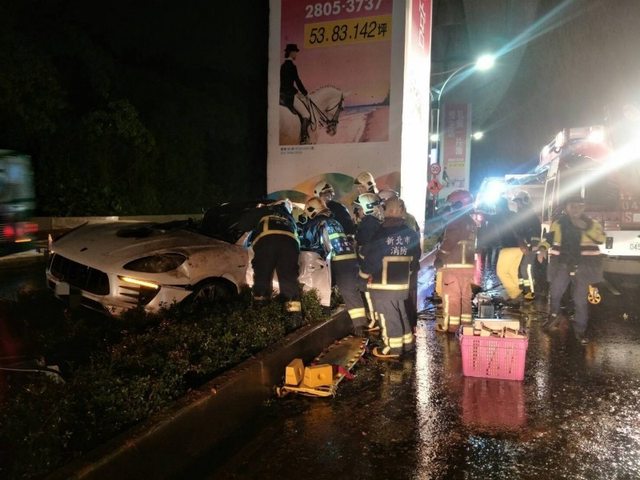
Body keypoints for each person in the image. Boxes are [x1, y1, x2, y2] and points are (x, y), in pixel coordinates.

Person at [538, 194, 605, 344]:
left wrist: (586, 227)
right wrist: (542, 249)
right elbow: (549, 239)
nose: (575, 209)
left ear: (584, 208)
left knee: (580, 300)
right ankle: (554, 316)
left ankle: (580, 330)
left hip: (583, 266)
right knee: (555, 293)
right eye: (572, 206)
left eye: (579, 206)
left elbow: (601, 239)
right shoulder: (558, 223)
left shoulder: (592, 224)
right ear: (566, 208)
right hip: (562, 265)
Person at [361, 197, 421, 358]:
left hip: (382, 284)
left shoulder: (380, 233)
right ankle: (407, 343)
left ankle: (392, 348)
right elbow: (416, 258)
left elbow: (371, 258)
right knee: (400, 312)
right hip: (401, 283)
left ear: (387, 211)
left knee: (387, 316)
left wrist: (363, 276)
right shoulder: (410, 233)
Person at [300, 196, 366, 333]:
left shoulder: (316, 223)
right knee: (351, 293)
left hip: (334, 261)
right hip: (350, 258)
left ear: (311, 210)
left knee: (321, 290)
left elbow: (311, 246)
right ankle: (360, 326)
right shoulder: (334, 222)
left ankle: (325, 320)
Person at [245, 199, 301, 314]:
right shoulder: (290, 218)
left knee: (262, 277)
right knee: (289, 281)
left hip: (267, 244)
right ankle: (293, 317)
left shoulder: (265, 210)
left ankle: (261, 312)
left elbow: (243, 224)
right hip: (290, 245)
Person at [433, 190, 476, 331]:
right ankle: (465, 326)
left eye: (451, 204)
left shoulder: (456, 221)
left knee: (451, 297)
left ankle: (451, 326)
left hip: (453, 265)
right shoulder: (471, 222)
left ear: (458, 204)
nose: (449, 207)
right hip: (468, 266)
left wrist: (440, 256)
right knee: (465, 297)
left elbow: (450, 240)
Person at [354, 192, 384, 331]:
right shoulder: (376, 223)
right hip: (375, 266)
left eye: (359, 208)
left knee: (367, 292)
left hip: (369, 267)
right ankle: (376, 319)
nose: (358, 211)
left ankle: (374, 320)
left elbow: (366, 248)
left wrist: (365, 268)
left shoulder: (368, 224)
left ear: (367, 208)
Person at [494, 197, 526, 305]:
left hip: (508, 247)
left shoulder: (500, 215)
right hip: (519, 247)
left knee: (501, 272)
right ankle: (515, 295)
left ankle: (515, 294)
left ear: (499, 206)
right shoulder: (513, 214)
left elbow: (488, 217)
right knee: (512, 272)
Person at [512, 191, 542, 300]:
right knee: (520, 268)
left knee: (527, 269)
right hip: (523, 246)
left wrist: (532, 245)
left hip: (530, 247)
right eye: (516, 202)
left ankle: (531, 292)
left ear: (525, 201)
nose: (517, 205)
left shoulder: (531, 216)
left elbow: (535, 233)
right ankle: (523, 289)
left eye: (518, 202)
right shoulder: (520, 216)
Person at [279, 43, 311, 144]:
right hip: (289, 97)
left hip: (281, 95)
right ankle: (304, 138)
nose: (296, 54)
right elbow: (297, 81)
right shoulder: (292, 66)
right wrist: (305, 93)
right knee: (306, 114)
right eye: (295, 52)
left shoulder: (283, 66)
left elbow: (285, 84)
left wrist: (296, 92)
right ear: (291, 53)